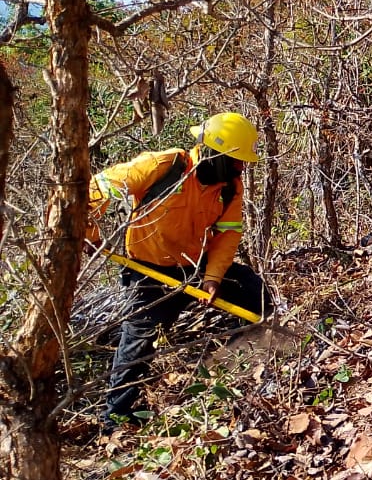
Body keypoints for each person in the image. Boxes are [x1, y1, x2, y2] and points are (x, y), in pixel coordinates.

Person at [88, 111, 273, 427]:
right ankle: (115, 419)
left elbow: (228, 236)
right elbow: (100, 186)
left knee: (253, 293)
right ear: (215, 154)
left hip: (194, 266)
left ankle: (246, 360)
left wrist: (213, 278)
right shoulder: (164, 166)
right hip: (148, 270)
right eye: (236, 160)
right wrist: (88, 233)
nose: (242, 167)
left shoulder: (230, 187)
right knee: (139, 342)